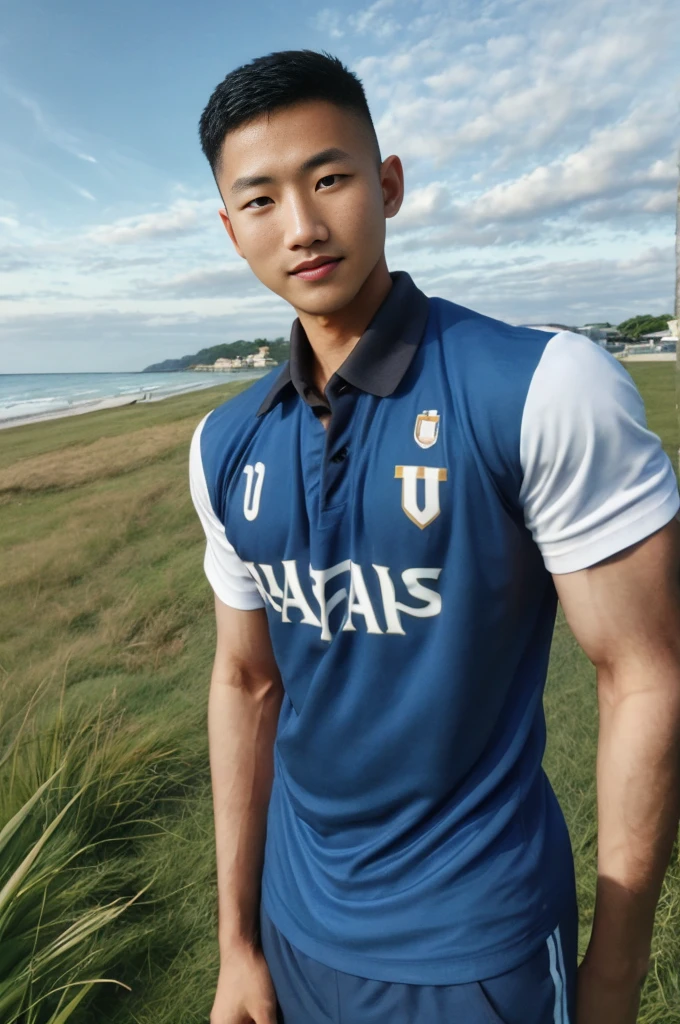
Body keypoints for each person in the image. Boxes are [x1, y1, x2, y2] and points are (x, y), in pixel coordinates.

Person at [189, 49, 680, 1024]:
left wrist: (612, 981)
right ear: (230, 228)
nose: (301, 225)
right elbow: (246, 681)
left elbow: (643, 673)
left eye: (328, 177)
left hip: (472, 946)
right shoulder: (223, 442)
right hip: (293, 922)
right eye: (259, 199)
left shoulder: (541, 388)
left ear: (388, 184)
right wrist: (236, 942)